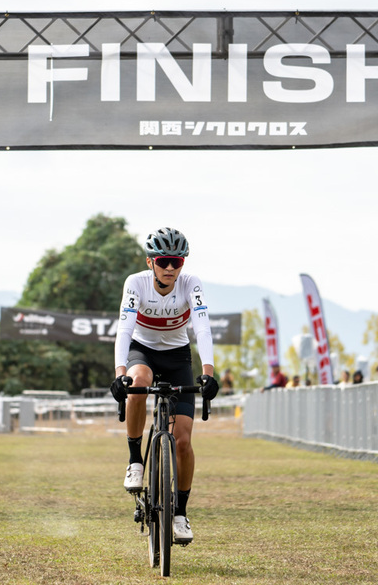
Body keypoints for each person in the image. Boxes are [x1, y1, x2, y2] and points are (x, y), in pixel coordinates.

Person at [110, 227, 219, 545]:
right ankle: (135, 460)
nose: (171, 268)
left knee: (182, 441)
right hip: (142, 351)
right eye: (164, 261)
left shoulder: (190, 284)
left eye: (177, 262)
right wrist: (120, 374)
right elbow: (125, 328)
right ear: (151, 262)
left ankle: (181, 513)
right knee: (138, 382)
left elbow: (202, 326)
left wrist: (208, 373)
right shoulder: (136, 283)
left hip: (177, 357)